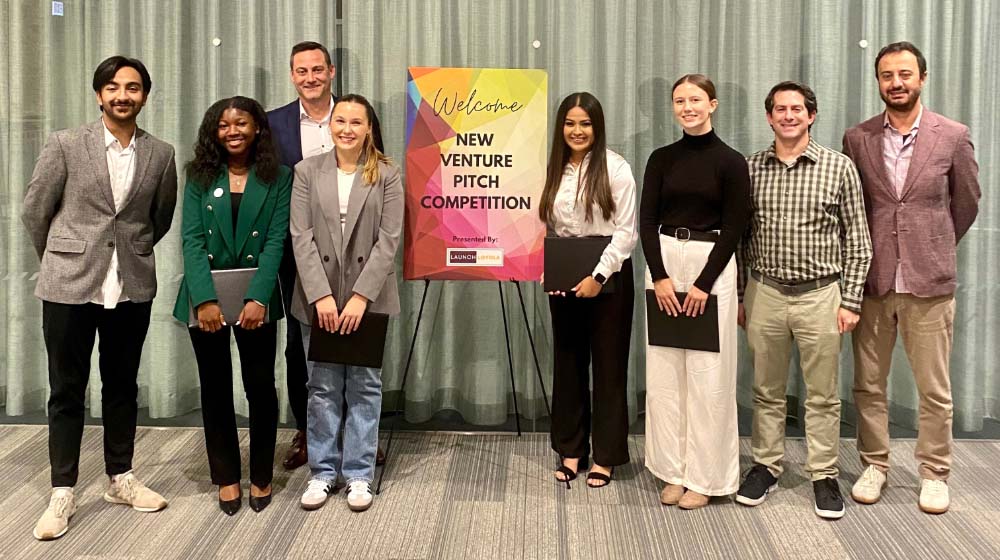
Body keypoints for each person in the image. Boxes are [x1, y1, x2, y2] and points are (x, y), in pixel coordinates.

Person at [22, 55, 177, 540]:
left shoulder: (162, 153)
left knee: (122, 386)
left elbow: (160, 216)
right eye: (113, 88)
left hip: (130, 285)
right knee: (66, 390)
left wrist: (130, 250)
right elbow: (35, 211)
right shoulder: (66, 144)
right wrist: (62, 255)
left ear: (145, 96)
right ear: (98, 95)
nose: (122, 95)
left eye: (132, 88)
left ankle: (120, 477)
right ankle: (62, 489)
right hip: (69, 285)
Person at [843, 41, 981, 514]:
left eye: (904, 74)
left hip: (930, 283)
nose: (895, 83)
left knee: (933, 388)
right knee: (868, 384)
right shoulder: (857, 138)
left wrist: (933, 244)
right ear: (878, 81)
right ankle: (875, 463)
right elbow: (855, 208)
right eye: (886, 75)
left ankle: (934, 471)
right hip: (874, 281)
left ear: (922, 77)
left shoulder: (953, 135)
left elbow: (966, 204)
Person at [735, 81, 872, 520]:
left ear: (812, 115)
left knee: (823, 395)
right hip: (765, 293)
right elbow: (739, 241)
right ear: (769, 117)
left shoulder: (840, 168)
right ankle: (766, 465)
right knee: (766, 390)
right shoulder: (751, 169)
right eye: (780, 109)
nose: (789, 116)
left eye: (797, 109)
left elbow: (859, 241)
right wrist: (742, 295)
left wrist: (850, 301)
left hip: (821, 296)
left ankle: (823, 474)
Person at [268, 41, 386, 470]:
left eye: (318, 69)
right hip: (301, 264)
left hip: (358, 271)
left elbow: (387, 234)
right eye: (302, 70)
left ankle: (360, 443)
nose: (310, 77)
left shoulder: (356, 119)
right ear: (292, 75)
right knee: (303, 358)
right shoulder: (273, 124)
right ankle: (310, 437)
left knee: (360, 367)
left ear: (331, 72)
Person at [172, 96, 292, 515]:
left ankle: (260, 473)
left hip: (256, 298)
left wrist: (258, 297)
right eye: (223, 125)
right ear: (213, 132)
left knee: (260, 387)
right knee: (216, 387)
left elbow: (277, 239)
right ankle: (226, 475)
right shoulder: (199, 176)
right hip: (206, 298)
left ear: (257, 127)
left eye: (241, 123)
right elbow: (190, 239)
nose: (232, 131)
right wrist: (204, 299)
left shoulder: (279, 176)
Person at [639, 74, 750, 509]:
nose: (687, 107)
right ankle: (671, 470)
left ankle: (705, 477)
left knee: (709, 376)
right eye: (680, 101)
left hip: (712, 265)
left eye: (696, 100)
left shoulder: (731, 161)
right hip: (664, 263)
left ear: (713, 105)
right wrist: (660, 275)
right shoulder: (660, 158)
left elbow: (736, 225)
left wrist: (703, 283)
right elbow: (646, 221)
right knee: (665, 374)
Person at [291, 94, 403, 512]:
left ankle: (358, 474)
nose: (347, 129)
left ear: (369, 128)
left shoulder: (387, 174)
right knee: (321, 385)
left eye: (357, 122)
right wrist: (320, 294)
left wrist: (360, 297)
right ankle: (322, 472)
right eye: (340, 121)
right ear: (330, 125)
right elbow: (300, 237)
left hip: (367, 299)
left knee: (364, 385)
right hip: (317, 298)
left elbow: (389, 240)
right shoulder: (306, 171)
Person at [539, 92, 637, 488]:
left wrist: (597, 277)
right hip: (563, 277)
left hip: (608, 279)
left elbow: (626, 234)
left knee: (609, 368)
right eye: (570, 123)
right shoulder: (551, 169)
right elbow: (542, 226)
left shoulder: (616, 169)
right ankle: (572, 450)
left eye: (585, 124)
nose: (577, 131)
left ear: (597, 127)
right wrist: (547, 271)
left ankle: (606, 456)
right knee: (568, 364)